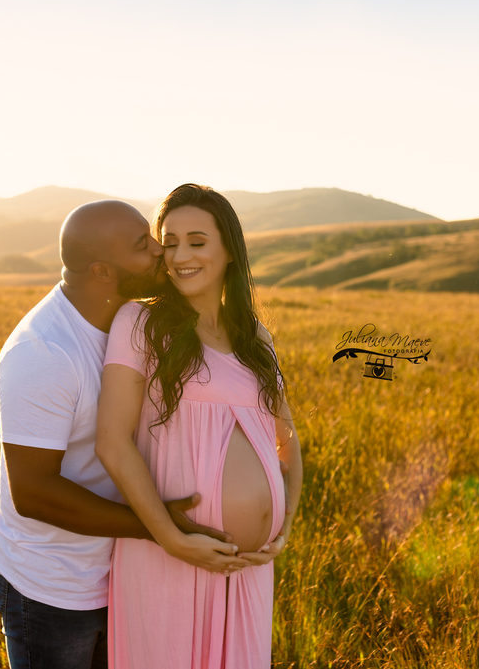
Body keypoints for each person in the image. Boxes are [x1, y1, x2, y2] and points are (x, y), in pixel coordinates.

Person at [0, 199, 258, 669]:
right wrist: (161, 529)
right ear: (103, 272)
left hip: (120, 569)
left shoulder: (135, 321)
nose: (158, 250)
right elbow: (33, 493)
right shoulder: (43, 355)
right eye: (141, 246)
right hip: (51, 583)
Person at [95, 184, 304, 669]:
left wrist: (284, 525)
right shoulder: (141, 322)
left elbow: (287, 442)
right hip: (171, 557)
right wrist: (171, 538)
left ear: (229, 249)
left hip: (249, 572)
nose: (180, 255)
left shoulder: (256, 338)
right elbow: (112, 442)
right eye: (169, 242)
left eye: (196, 241)